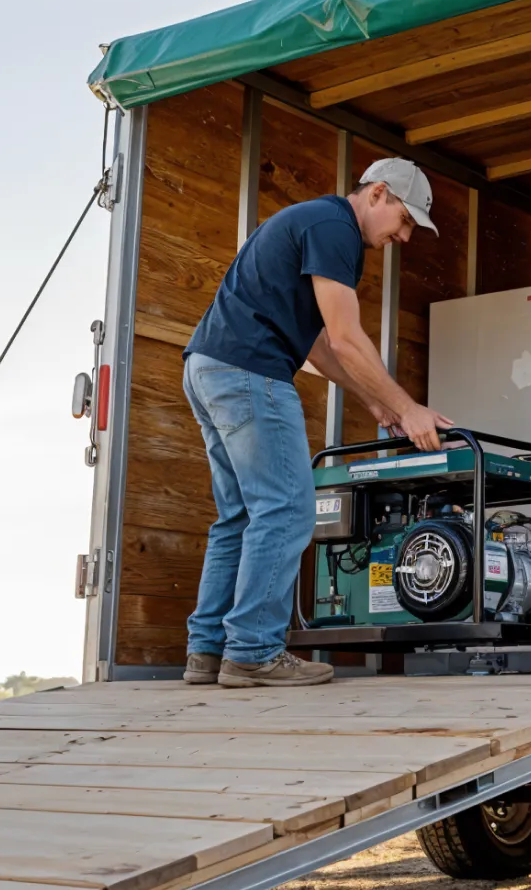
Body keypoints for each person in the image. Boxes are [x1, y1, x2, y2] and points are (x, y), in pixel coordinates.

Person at [179, 158, 454, 688]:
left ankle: (208, 652)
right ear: (378, 194)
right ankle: (254, 652)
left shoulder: (310, 223)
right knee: (286, 509)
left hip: (209, 366)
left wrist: (374, 401)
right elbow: (347, 338)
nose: (405, 236)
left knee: (239, 516)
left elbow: (318, 343)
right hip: (249, 372)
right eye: (404, 221)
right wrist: (406, 408)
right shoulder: (335, 229)